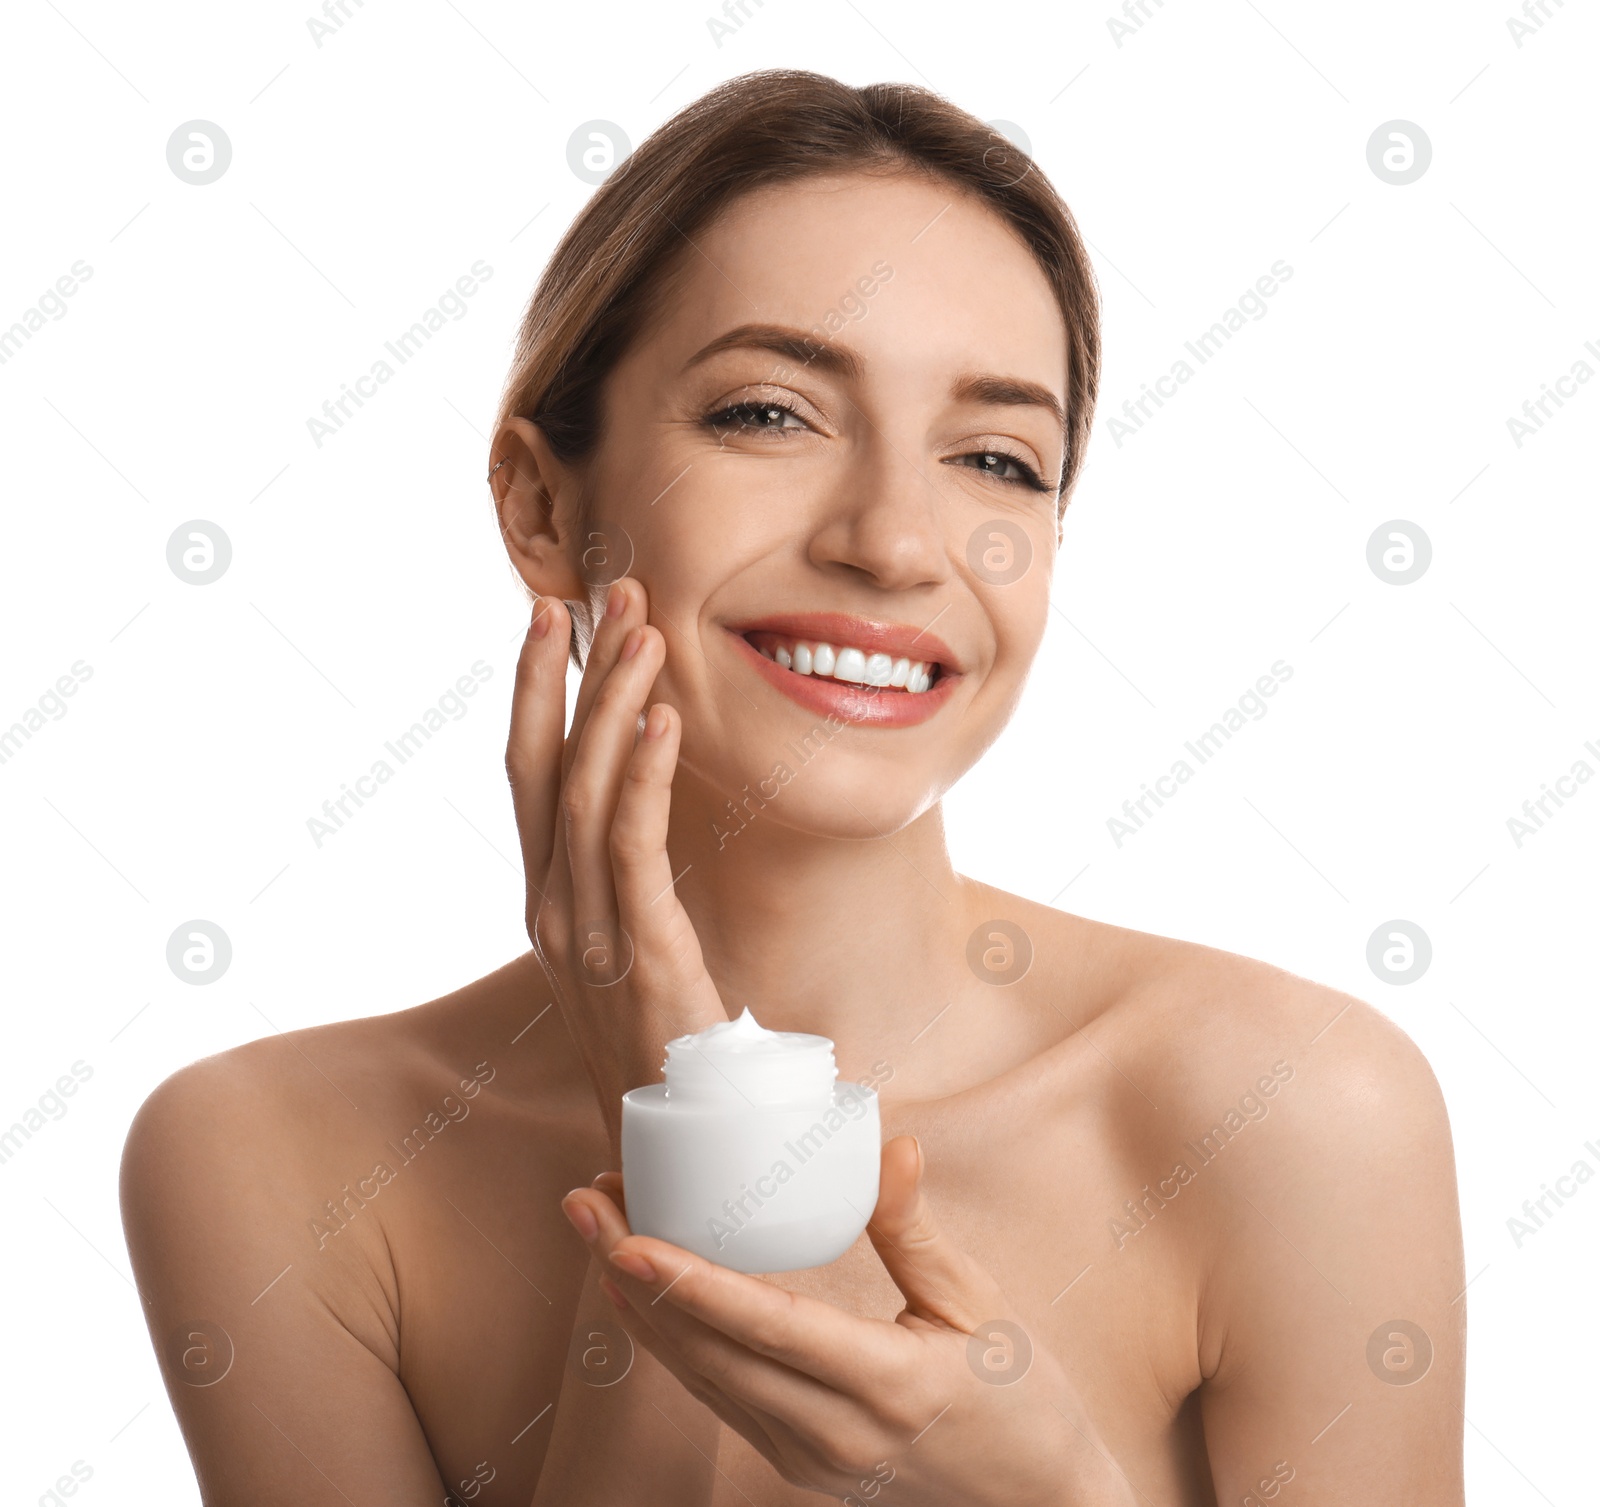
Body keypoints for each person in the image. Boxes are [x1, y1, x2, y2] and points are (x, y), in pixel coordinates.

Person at [121, 69, 1465, 1505]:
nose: (894, 541)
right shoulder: (273, 1162)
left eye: (998, 458)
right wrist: (691, 1128)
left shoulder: (1290, 1114)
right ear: (543, 504)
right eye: (770, 416)